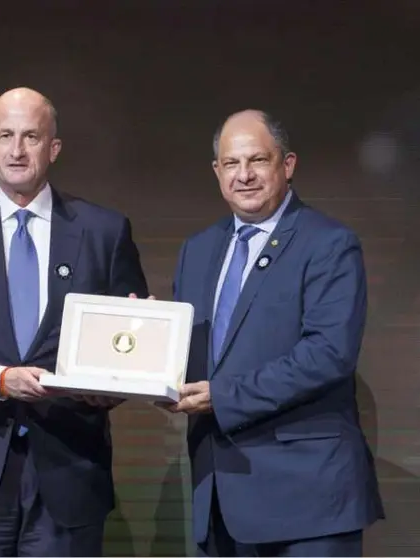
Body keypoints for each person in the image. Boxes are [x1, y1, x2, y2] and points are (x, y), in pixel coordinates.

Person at [0, 87, 149, 557]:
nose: (17, 150)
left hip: (69, 469)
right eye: (6, 136)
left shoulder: (104, 231)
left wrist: (123, 368)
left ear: (53, 148)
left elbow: (126, 344)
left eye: (31, 137)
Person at [167, 109, 384, 557]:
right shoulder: (197, 250)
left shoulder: (328, 244)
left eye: (257, 161)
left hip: (306, 504)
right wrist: (150, 350)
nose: (243, 175)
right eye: (231, 164)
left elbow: (328, 354)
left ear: (287, 165)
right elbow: (200, 356)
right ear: (216, 171)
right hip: (221, 498)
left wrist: (222, 396)